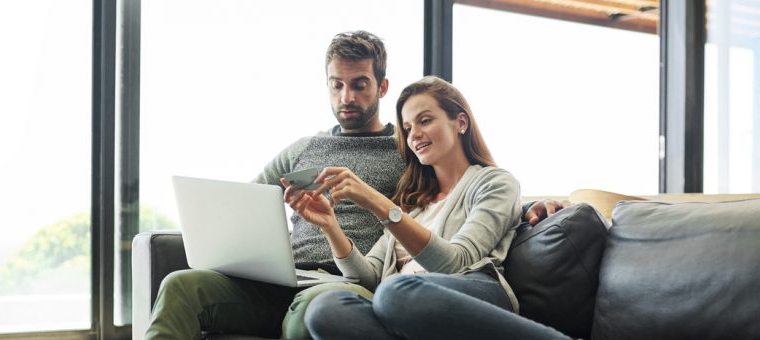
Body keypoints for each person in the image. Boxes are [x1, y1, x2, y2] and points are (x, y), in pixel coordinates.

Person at [146, 31, 569, 339]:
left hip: (347, 285)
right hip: (287, 277)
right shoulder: (311, 151)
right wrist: (327, 225)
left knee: (337, 308)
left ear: (381, 86)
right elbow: (241, 207)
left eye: (359, 84)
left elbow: (475, 195)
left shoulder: (407, 157)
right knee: (180, 285)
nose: (347, 95)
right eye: (337, 84)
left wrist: (536, 208)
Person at [299, 76, 559, 339]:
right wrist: (329, 226)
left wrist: (377, 203)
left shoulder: (495, 182)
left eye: (425, 120)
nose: (415, 135)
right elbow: (367, 278)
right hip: (404, 304)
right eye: (408, 128)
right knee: (325, 309)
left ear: (460, 122)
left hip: (469, 291)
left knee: (396, 293)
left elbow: (457, 263)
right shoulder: (413, 206)